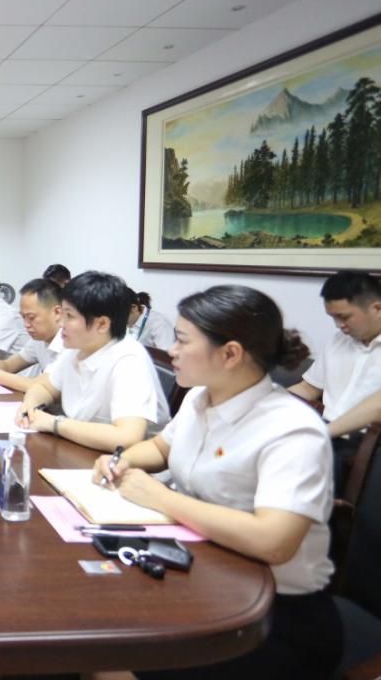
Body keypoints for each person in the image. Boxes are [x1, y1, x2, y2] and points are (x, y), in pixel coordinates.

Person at [94, 285, 341, 680]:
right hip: (202, 574)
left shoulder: (292, 430)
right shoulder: (200, 398)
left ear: (230, 354)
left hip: (271, 613)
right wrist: (122, 459)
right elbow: (160, 447)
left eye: (182, 340)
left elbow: (274, 541)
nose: (172, 350)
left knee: (107, 659)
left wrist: (160, 498)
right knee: (95, 621)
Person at [16, 271, 169, 452]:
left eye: (70, 316)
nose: (61, 323)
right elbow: (44, 387)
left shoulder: (128, 359)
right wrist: (30, 406)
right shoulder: (76, 347)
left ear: (102, 324)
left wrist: (54, 423)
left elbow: (126, 437)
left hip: (124, 462)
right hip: (82, 449)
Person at [289, 270, 381, 485]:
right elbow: (308, 388)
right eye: (333, 317)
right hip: (325, 433)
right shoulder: (338, 341)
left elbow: (378, 406)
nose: (338, 325)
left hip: (364, 443)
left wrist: (319, 433)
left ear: (377, 308)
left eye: (344, 317)